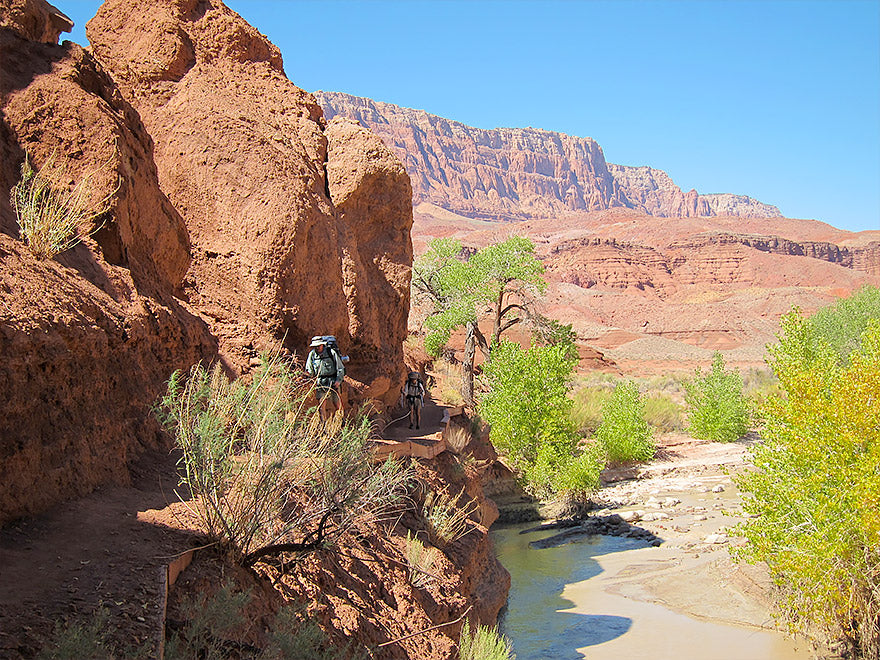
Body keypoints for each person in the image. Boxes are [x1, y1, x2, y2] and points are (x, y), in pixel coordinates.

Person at [305, 336, 345, 419]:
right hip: (321, 382)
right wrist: (308, 376)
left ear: (323, 345)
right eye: (316, 346)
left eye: (319, 345)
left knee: (337, 404)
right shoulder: (312, 355)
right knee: (321, 405)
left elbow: (340, 368)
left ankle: (342, 422)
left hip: (333, 381)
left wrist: (338, 380)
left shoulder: (331, 352)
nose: (317, 347)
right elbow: (310, 369)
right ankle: (323, 426)